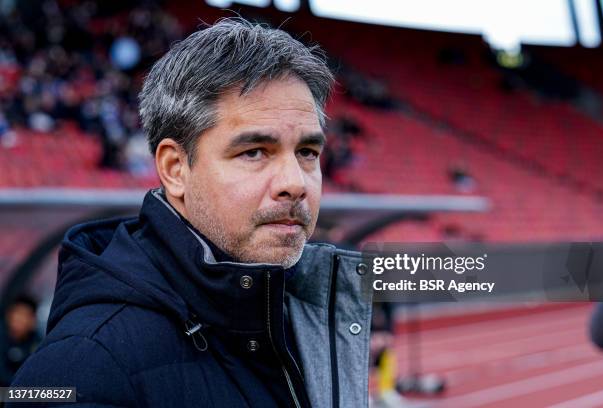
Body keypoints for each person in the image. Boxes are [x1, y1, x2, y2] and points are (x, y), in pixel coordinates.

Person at [10, 18, 373, 407]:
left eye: (307, 152)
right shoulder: (80, 368)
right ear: (175, 168)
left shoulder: (299, 317)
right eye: (253, 152)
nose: (296, 182)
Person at [0, 295, 41, 387]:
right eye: (17, 313)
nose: (19, 319)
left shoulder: (37, 341)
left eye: (25, 315)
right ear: (8, 315)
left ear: (32, 321)